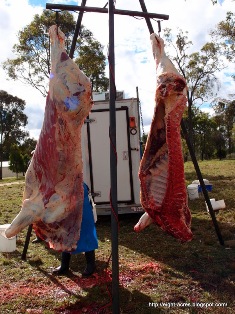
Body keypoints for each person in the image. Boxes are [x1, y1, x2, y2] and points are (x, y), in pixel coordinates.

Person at [52, 182, 98, 277]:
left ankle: (91, 265)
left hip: (82, 203)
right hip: (67, 203)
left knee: (86, 233)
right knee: (66, 234)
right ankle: (64, 266)